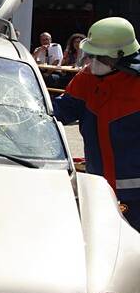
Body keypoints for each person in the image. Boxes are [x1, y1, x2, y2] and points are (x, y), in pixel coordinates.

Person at [52, 17, 140, 232]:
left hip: (136, 195)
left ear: (121, 57)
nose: (93, 62)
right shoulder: (87, 78)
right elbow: (61, 110)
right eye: (91, 55)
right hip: (98, 187)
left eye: (99, 57)